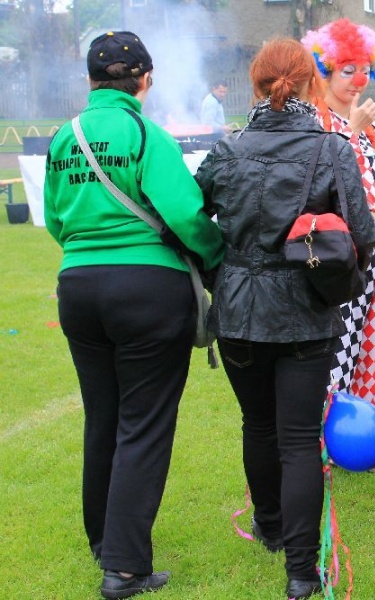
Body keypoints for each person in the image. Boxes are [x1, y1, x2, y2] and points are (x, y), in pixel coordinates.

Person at [194, 38, 375, 600]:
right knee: (295, 438)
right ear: (308, 84)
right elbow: (364, 236)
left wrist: (218, 273)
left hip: (244, 307)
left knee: (262, 426)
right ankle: (298, 567)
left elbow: (189, 220)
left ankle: (277, 534)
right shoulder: (326, 148)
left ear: (257, 85)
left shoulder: (229, 150)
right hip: (299, 306)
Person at [43, 31, 224, 599]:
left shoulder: (62, 136)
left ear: (92, 81)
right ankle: (122, 568)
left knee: (103, 415)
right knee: (143, 423)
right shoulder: (148, 134)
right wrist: (217, 261)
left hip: (78, 284)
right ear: (144, 79)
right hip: (147, 287)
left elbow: (54, 218)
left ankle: (103, 539)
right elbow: (187, 216)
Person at [302, 19, 375, 472]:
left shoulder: (373, 127)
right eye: (347, 70)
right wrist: (350, 128)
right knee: (339, 345)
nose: (358, 80)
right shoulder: (314, 121)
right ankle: (321, 445)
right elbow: (321, 183)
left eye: (364, 69)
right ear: (323, 69)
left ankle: (365, 443)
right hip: (343, 254)